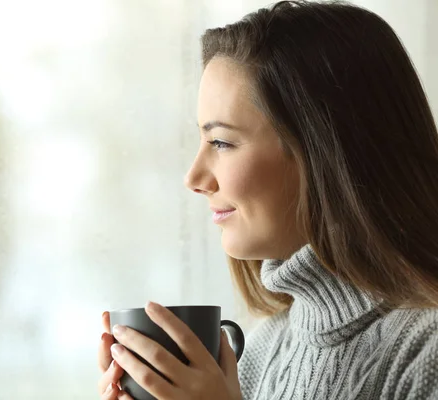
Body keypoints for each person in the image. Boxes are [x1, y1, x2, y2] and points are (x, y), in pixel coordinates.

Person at [97, 1, 438, 398]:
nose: (194, 178)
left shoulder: (425, 351)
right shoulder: (261, 350)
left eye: (221, 142)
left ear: (324, 152)